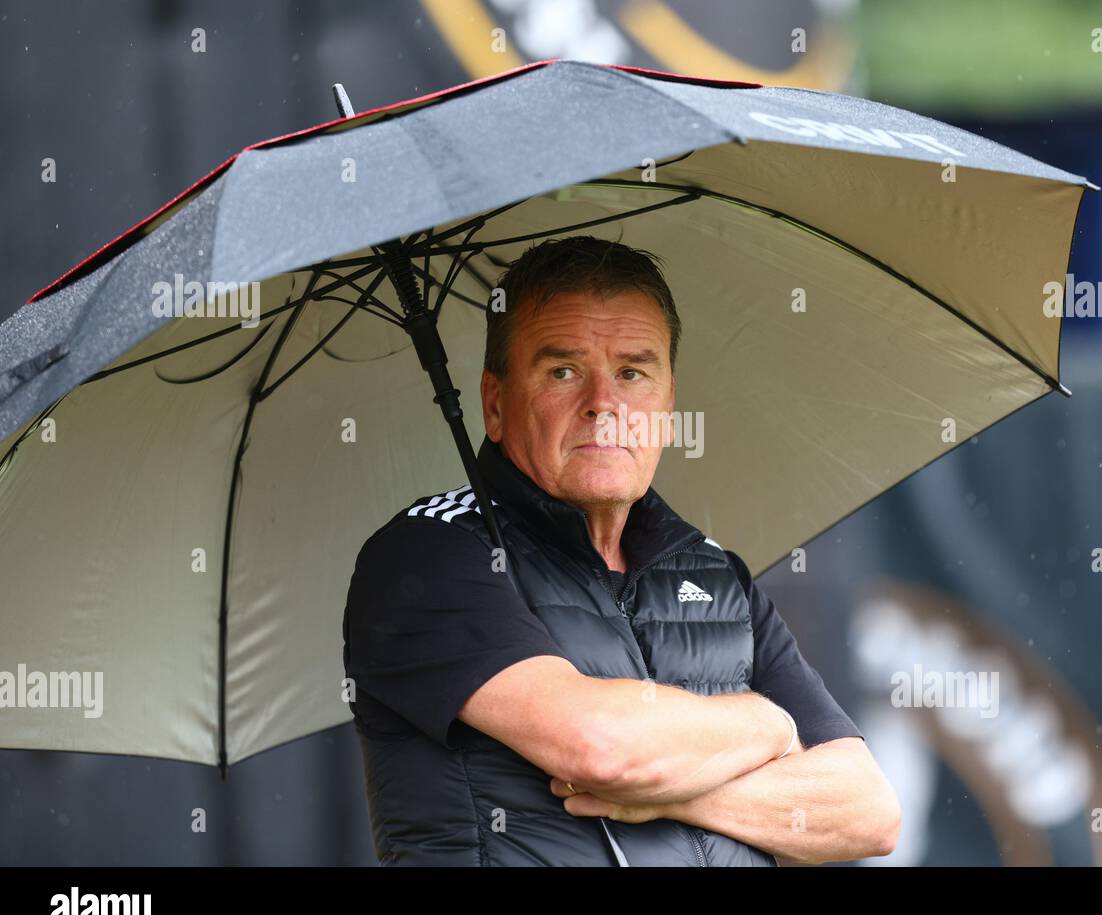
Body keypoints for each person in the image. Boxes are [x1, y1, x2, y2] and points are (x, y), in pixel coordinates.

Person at [343, 235, 900, 865]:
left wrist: (668, 795)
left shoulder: (716, 574)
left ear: (666, 403)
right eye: (563, 371)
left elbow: (866, 812)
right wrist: (772, 727)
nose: (604, 406)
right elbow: (605, 751)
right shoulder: (430, 556)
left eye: (632, 372)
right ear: (495, 405)